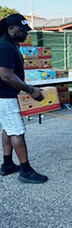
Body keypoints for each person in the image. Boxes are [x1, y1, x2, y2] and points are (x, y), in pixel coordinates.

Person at [0, 14, 48, 183]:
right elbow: (6, 75)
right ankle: (26, 170)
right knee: (18, 132)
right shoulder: (4, 46)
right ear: (11, 29)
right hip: (4, 97)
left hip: (5, 96)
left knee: (8, 129)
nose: (26, 34)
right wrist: (30, 90)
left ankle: (7, 165)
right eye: (23, 31)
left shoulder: (10, 43)